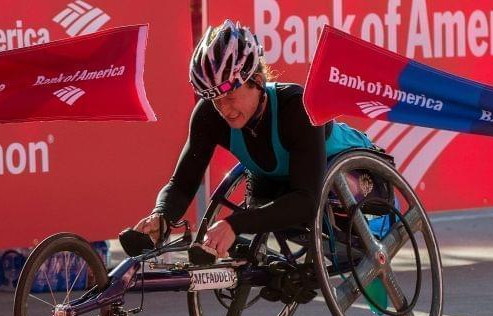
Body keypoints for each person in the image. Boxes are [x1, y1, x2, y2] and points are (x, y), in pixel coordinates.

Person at [132, 19, 372, 263]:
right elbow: (182, 184)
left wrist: (234, 224)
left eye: (230, 97)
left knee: (276, 204)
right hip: (285, 186)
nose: (223, 109)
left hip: (355, 179)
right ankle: (259, 261)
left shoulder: (296, 108)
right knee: (258, 195)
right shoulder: (208, 115)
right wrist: (161, 216)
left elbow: (307, 200)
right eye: (215, 99)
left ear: (257, 81)